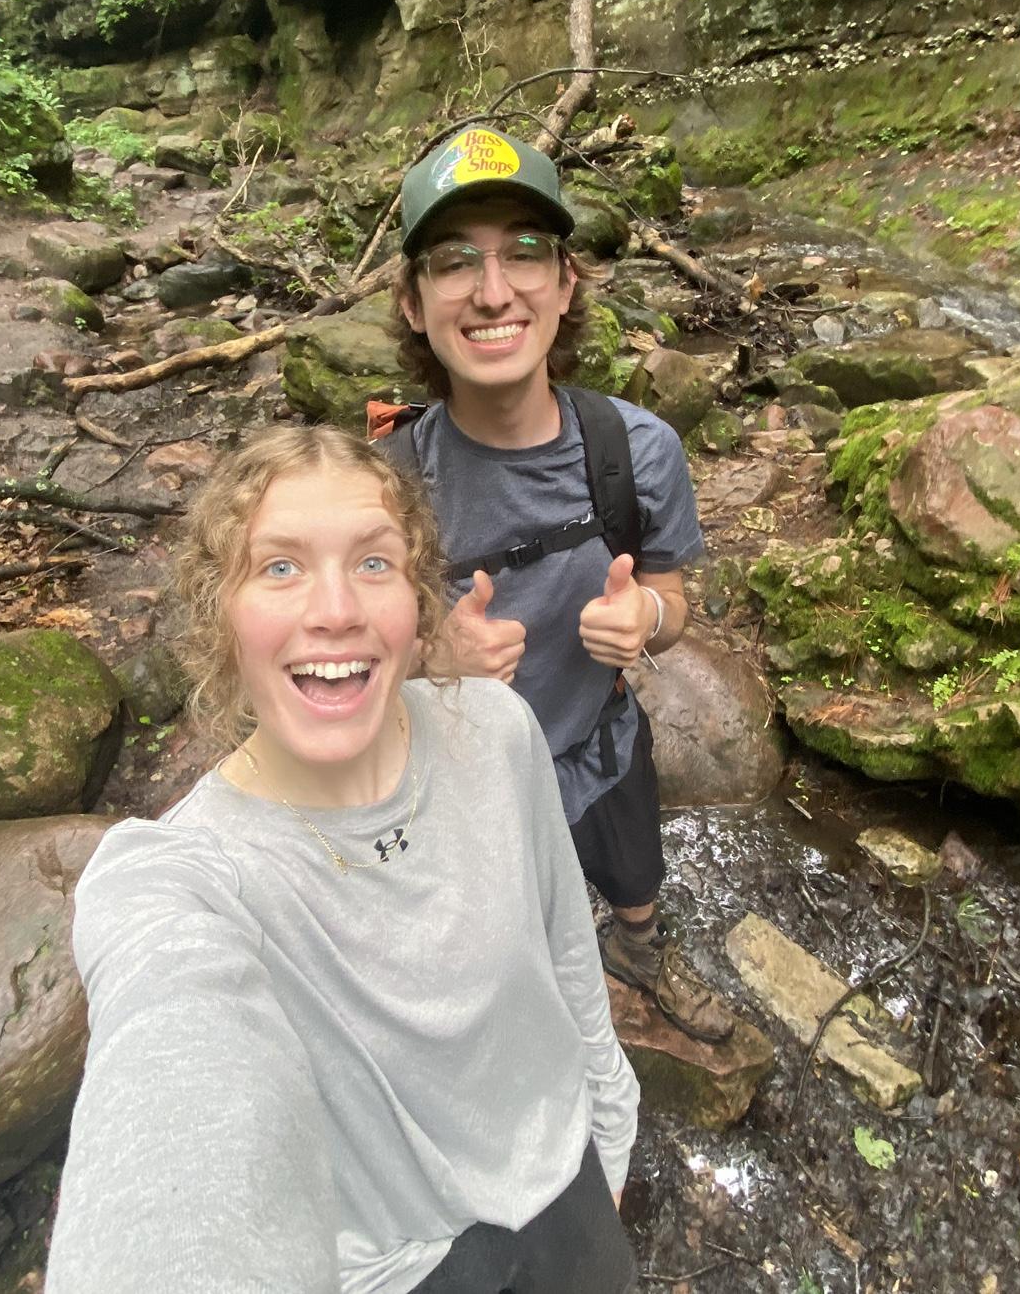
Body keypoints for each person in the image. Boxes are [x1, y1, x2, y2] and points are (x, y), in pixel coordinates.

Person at [46, 426, 639, 1294]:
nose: (336, 610)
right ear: (220, 612)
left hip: (568, 1179)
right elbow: (169, 1058)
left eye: (374, 564)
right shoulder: (184, 878)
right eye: (279, 567)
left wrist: (612, 1128)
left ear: (416, 601)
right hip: (392, 1269)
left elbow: (566, 954)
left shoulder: (497, 730)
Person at [381, 124, 734, 1044]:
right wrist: (428, 656)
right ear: (414, 303)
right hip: (457, 779)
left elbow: (670, 594)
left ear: (566, 283)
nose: (493, 291)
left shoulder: (637, 451)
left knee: (634, 870)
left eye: (526, 253)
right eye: (455, 262)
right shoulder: (383, 483)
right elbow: (341, 662)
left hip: (596, 739)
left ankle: (639, 946)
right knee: (492, 940)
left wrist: (648, 617)